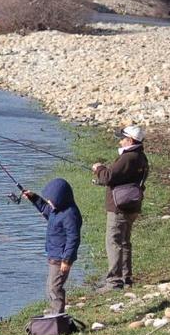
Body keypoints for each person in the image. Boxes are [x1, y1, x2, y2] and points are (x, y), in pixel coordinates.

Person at [92, 125, 150, 292]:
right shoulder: (141, 156)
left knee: (114, 242)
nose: (120, 140)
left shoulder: (129, 157)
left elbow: (108, 177)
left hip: (119, 207)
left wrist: (99, 169)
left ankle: (114, 282)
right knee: (124, 242)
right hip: (132, 206)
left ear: (130, 140)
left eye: (123, 138)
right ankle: (126, 278)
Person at [22, 178, 82, 314]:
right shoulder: (57, 209)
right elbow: (45, 208)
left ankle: (57, 314)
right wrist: (34, 198)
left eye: (51, 201)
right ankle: (54, 312)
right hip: (53, 255)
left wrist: (67, 260)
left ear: (60, 198)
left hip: (61, 259)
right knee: (50, 286)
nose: (49, 203)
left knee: (54, 288)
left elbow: (74, 238)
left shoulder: (70, 215)